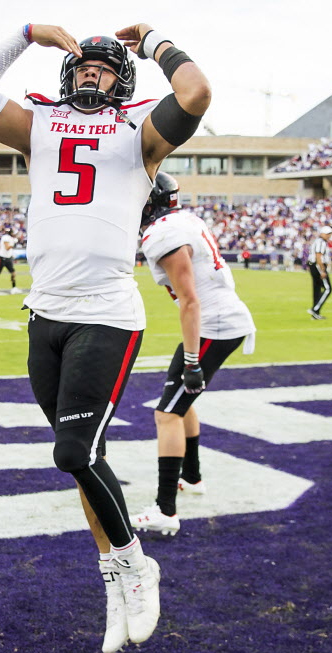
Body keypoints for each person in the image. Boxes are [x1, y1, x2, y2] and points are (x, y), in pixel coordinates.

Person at [0, 20, 210, 653]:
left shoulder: (138, 129)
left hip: (105, 313)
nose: (92, 71)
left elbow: (196, 92)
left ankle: (134, 563)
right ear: (69, 74)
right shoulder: (40, 122)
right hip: (46, 313)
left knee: (72, 451)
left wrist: (151, 41)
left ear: (121, 79)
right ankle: (114, 574)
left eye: (104, 67)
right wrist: (25, 34)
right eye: (84, 65)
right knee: (84, 460)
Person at [130, 173, 255, 536]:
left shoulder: (165, 234)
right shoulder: (182, 221)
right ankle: (193, 477)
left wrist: (192, 361)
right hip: (216, 321)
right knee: (180, 404)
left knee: (166, 413)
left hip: (214, 326)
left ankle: (165, 510)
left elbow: (189, 300)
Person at [308, 225, 332, 320]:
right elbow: (318, 256)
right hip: (318, 266)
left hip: (314, 265)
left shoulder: (318, 241)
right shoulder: (321, 242)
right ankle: (315, 309)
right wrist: (322, 270)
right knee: (328, 289)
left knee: (317, 289)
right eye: (328, 234)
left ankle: (315, 314)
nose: (329, 236)